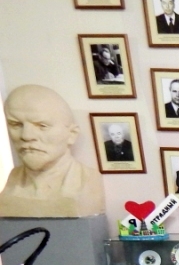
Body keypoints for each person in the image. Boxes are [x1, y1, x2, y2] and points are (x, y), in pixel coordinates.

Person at [0, 84, 105, 218]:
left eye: (42, 126)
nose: (26, 135)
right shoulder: (12, 182)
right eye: (16, 124)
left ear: (72, 134)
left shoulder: (87, 180)